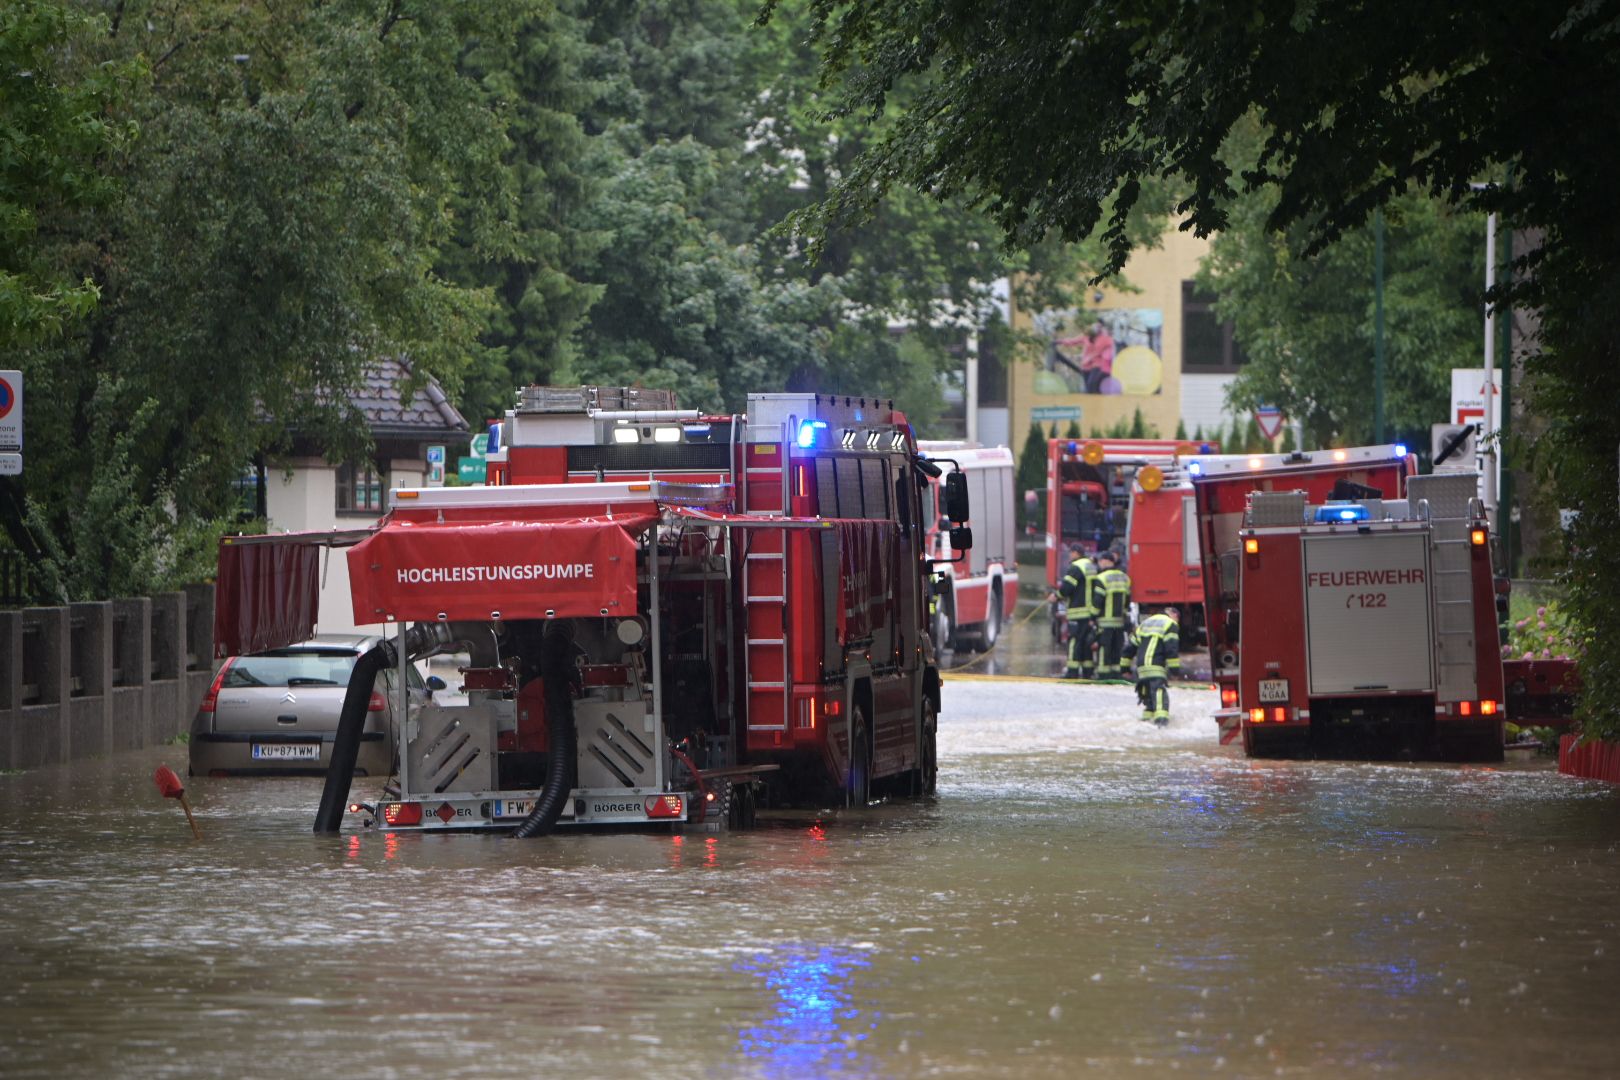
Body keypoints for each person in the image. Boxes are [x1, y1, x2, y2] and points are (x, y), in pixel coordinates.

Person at [1053, 544, 1100, 679]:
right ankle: (1087, 672)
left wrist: (1056, 596)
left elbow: (1067, 588)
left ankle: (1072, 671)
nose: (1069, 556)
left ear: (1076, 553)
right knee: (1086, 642)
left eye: (1070, 553)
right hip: (1089, 611)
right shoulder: (1090, 566)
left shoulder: (1076, 567)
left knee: (1074, 640)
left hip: (1078, 611)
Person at [1130, 606, 1181, 725]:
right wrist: (1175, 671)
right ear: (1173, 614)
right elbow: (1171, 649)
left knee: (1148, 699)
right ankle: (1161, 723)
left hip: (1141, 668)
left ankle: (1146, 722)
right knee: (1159, 694)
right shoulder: (1170, 624)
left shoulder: (1145, 623)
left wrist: (1124, 668)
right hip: (1156, 667)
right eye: (1178, 618)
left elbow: (1130, 647)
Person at [1094, 551, 1132, 678]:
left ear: (1106, 561)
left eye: (1100, 561)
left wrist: (1092, 617)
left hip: (1105, 621)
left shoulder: (1102, 578)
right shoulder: (1125, 577)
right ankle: (1116, 673)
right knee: (1117, 648)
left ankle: (1104, 675)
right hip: (1119, 621)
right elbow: (1127, 599)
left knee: (1105, 648)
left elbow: (1097, 601)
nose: (1099, 564)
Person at [1079, 320, 1115, 394]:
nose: (1097, 328)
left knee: (1092, 386)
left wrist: (1088, 359)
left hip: (1102, 367)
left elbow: (1099, 352)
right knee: (1092, 387)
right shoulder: (1095, 338)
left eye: (1099, 327)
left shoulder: (1106, 339)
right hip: (1094, 366)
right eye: (1096, 326)